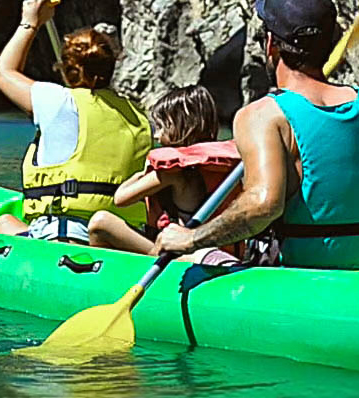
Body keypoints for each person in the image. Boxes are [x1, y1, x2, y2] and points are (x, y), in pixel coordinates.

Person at [153, 0, 359, 270]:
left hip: (302, 270)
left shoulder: (263, 115)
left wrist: (191, 238)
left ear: (270, 44)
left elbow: (263, 206)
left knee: (190, 255)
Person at [0, 0, 152, 243]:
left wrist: (30, 22)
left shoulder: (57, 101)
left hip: (64, 238)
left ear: (64, 68)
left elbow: (3, 73)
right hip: (123, 240)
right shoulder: (137, 114)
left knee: (2, 223)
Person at [87, 84, 244, 264]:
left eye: (162, 127)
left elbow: (121, 198)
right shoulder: (205, 168)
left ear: (182, 126)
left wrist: (145, 169)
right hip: (210, 252)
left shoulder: (174, 173)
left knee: (100, 223)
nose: (156, 136)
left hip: (185, 256)